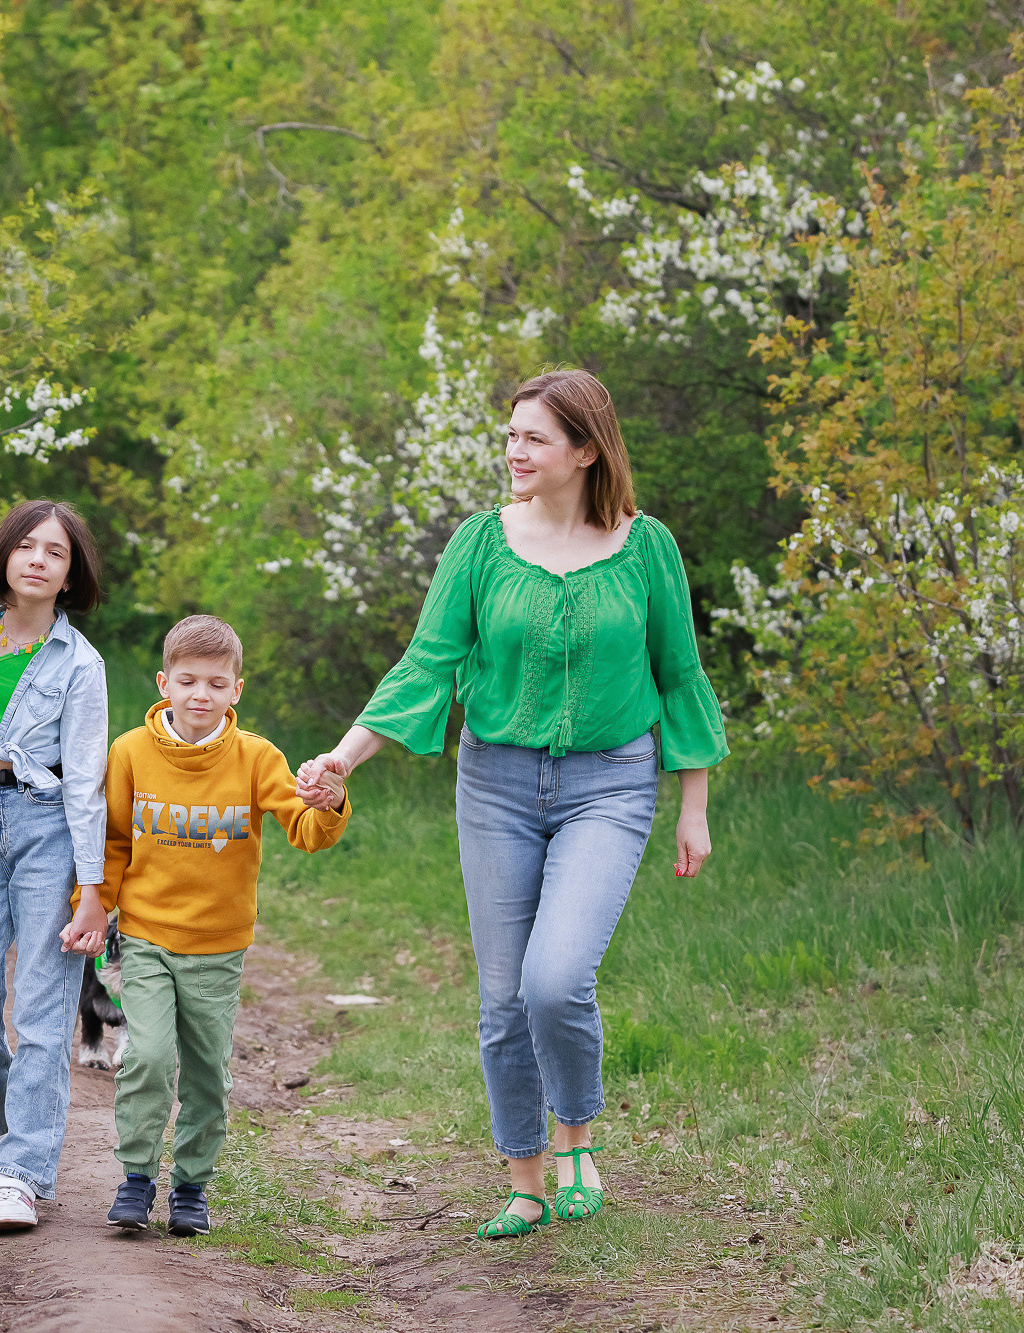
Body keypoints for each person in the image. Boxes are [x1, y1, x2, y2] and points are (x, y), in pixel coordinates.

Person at [296, 368, 726, 1239]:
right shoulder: (482, 543)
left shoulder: (647, 548)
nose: (513, 450)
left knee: (555, 977)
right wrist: (344, 756)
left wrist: (694, 804)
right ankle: (525, 1178)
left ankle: (577, 1141)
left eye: (534, 437)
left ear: (585, 450)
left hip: (610, 783)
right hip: (495, 783)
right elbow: (427, 665)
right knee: (503, 999)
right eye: (511, 433)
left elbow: (679, 675)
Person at [61, 615, 350, 1237]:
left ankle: (190, 1187)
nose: (201, 695)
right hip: (145, 938)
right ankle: (136, 1178)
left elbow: (306, 830)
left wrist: (328, 802)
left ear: (236, 691)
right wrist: (94, 904)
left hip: (218, 949)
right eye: (188, 681)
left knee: (206, 1074)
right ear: (165, 682)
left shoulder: (256, 758)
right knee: (149, 1058)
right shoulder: (131, 753)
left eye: (216, 684)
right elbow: (111, 840)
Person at [0, 500, 110, 1235]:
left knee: (42, 1010)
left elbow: (88, 780)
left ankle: (22, 1169)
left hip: (48, 827)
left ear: (71, 576)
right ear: (4, 556)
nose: (39, 559)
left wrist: (93, 890)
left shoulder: (82, 663)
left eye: (57, 553)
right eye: (28, 546)